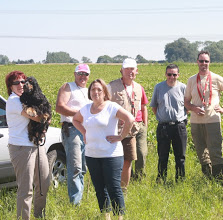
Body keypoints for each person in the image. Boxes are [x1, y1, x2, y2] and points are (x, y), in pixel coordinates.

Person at [73, 79, 134, 220]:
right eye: (93, 89)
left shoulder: (111, 107)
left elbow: (129, 119)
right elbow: (75, 120)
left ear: (105, 92)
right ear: (89, 92)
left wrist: (121, 136)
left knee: (113, 187)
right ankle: (106, 216)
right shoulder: (86, 109)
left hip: (111, 154)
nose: (96, 92)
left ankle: (120, 217)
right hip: (92, 154)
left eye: (99, 89)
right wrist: (84, 132)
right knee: (100, 189)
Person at [5, 71, 50, 219]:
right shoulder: (13, 100)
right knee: (26, 190)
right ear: (11, 87)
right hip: (21, 148)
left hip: (37, 145)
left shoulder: (27, 98)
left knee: (44, 183)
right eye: (16, 83)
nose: (21, 85)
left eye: (23, 82)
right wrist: (45, 117)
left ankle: (39, 215)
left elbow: (45, 114)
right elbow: (36, 117)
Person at [184, 51, 223, 182]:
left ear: (209, 62)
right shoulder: (191, 80)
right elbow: (186, 101)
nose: (203, 64)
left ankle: (218, 180)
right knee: (201, 152)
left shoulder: (217, 78)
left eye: (206, 61)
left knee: (215, 151)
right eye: (201, 61)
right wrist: (193, 108)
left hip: (213, 121)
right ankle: (208, 179)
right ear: (197, 62)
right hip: (196, 122)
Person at [107, 58, 146, 191]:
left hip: (130, 132)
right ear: (121, 70)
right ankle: (110, 187)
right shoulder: (111, 86)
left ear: (137, 71)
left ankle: (123, 190)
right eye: (127, 69)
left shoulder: (139, 88)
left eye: (132, 69)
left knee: (127, 161)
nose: (130, 71)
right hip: (113, 131)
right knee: (111, 162)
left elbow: (141, 107)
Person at [55, 64, 91, 205]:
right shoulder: (68, 87)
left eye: (86, 74)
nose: (83, 76)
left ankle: (79, 199)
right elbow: (59, 107)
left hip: (86, 131)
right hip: (72, 130)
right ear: (74, 74)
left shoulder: (89, 91)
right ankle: (75, 203)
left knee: (83, 167)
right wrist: (79, 114)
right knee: (75, 167)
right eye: (80, 73)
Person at [150, 64, 187, 182]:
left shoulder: (183, 88)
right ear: (165, 74)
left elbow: (188, 106)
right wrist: (162, 118)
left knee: (180, 156)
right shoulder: (159, 87)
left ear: (178, 75)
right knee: (162, 155)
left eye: (174, 74)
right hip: (163, 127)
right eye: (169, 74)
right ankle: (161, 180)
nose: (172, 77)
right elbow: (154, 107)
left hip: (179, 126)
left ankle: (180, 180)